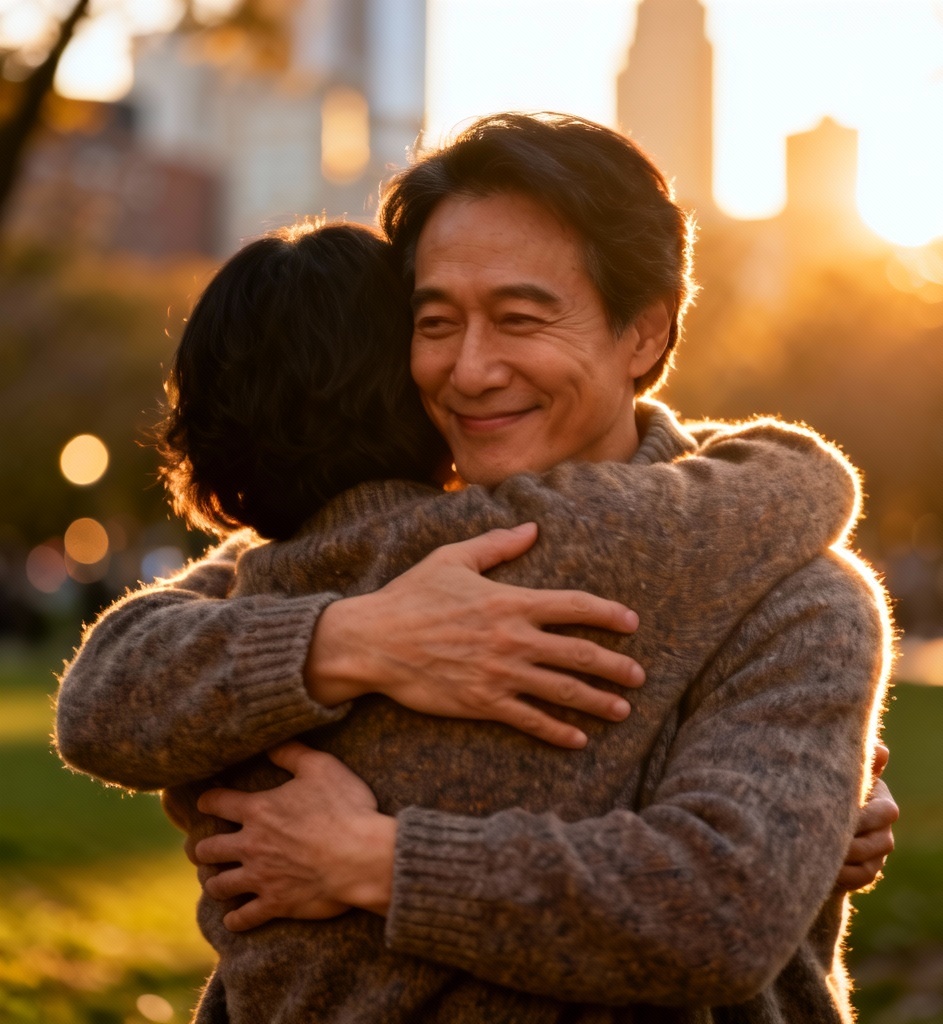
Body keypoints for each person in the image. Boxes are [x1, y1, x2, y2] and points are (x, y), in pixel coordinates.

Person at [55, 114, 895, 1022]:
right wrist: (352, 639)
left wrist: (375, 859)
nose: (471, 369)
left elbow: (721, 909)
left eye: (521, 319)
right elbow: (110, 689)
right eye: (435, 322)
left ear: (644, 333)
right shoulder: (346, 561)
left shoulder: (793, 597)